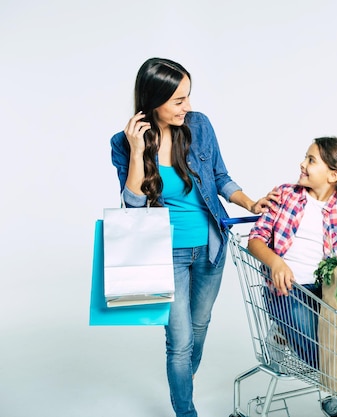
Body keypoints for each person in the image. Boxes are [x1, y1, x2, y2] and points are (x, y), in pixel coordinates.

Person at [110, 57, 276, 417]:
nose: (188, 107)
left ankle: (185, 377)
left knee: (199, 328)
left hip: (210, 249)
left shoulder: (199, 126)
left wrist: (250, 201)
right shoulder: (124, 143)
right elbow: (133, 207)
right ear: (154, 100)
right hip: (165, 256)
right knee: (179, 342)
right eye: (178, 101)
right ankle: (186, 411)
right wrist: (138, 153)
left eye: (189, 97)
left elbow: (219, 176)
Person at [247, 136, 337, 368]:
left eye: (311, 160)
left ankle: (334, 387)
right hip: (287, 290)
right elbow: (255, 240)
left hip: (329, 292)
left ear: (333, 175)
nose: (302, 164)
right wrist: (276, 263)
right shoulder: (284, 195)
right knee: (318, 356)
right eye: (306, 158)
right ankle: (284, 332)